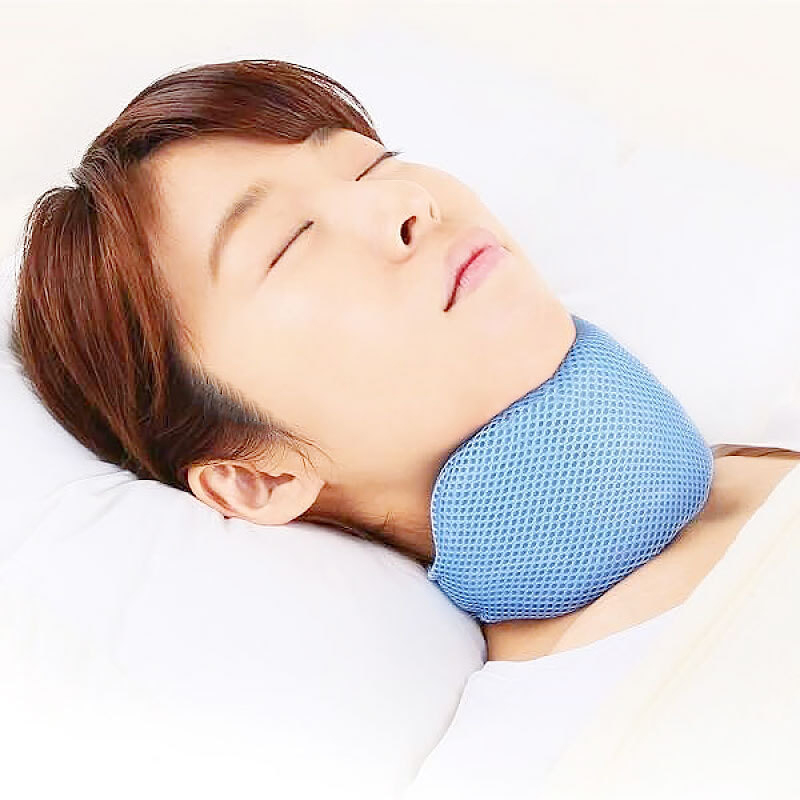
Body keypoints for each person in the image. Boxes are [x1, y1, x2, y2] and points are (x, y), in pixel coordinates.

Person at [10, 59, 799, 659]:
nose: (404, 202)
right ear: (255, 477)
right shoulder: (589, 741)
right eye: (289, 242)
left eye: (372, 164)